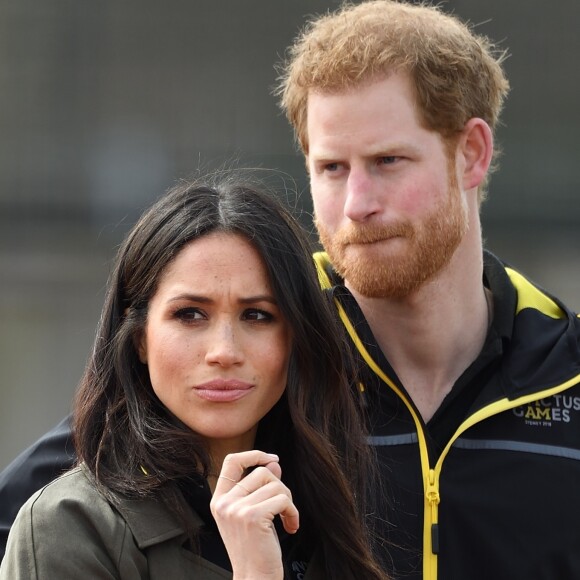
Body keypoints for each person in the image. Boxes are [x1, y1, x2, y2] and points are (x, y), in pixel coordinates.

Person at [275, 1, 580, 579]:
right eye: (332, 168)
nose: (357, 205)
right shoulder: (257, 358)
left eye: (388, 161)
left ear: (472, 154)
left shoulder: (569, 374)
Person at [0, 172, 388, 580]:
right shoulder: (68, 528)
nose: (224, 352)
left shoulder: (339, 510)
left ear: (295, 339)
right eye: (190, 314)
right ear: (139, 339)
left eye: (257, 315)